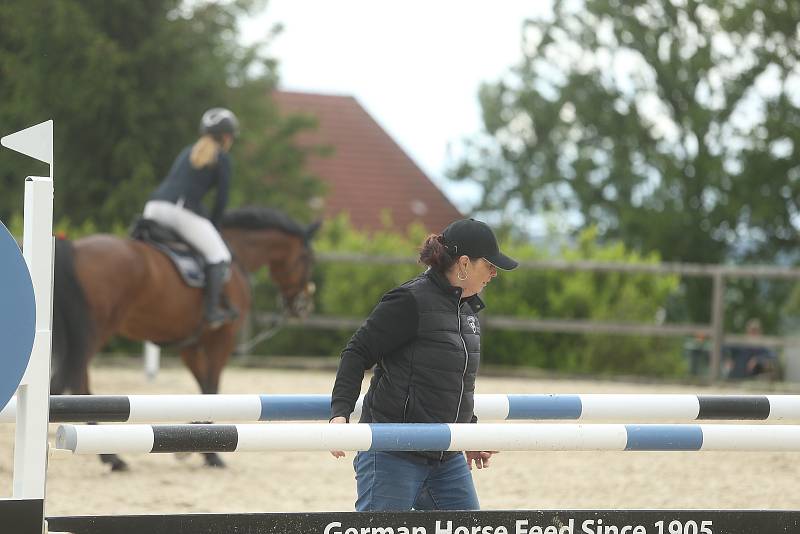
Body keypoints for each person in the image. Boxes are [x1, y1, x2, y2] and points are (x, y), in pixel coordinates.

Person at [329, 218, 518, 511]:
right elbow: (357, 351)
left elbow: (453, 384)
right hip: (393, 451)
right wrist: (339, 414)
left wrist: (470, 432)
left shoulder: (468, 310)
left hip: (446, 456)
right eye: (489, 265)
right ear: (464, 263)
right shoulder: (409, 300)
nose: (494, 273)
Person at [142, 107, 239, 328]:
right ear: (226, 136)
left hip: (153, 207)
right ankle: (212, 311)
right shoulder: (222, 157)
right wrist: (215, 227)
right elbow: (221, 200)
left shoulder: (187, 151)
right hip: (178, 211)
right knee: (219, 255)